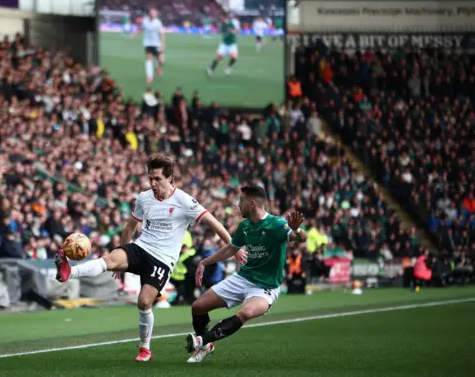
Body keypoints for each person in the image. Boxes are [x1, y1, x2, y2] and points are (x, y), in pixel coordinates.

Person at [54, 154, 247, 362]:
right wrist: (121, 256)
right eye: (150, 178)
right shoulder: (144, 198)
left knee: (144, 302)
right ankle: (69, 272)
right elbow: (130, 227)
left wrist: (233, 247)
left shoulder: (183, 200)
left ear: (170, 178)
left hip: (162, 259)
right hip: (141, 247)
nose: (152, 183)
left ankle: (145, 348)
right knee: (109, 260)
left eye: (157, 179)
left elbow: (214, 223)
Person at [184, 185, 306, 363]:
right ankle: (206, 344)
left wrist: (296, 229)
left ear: (253, 202)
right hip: (243, 278)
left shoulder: (276, 224)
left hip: (266, 287)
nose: (238, 205)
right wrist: (204, 262)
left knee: (246, 313)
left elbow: (301, 238)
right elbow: (230, 249)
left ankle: (203, 341)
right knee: (198, 306)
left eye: (241, 201)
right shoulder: (245, 226)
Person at [134, 8, 165, 84]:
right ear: (149, 14)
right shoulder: (145, 21)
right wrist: (135, 34)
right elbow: (141, 28)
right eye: (152, 13)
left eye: (155, 13)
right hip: (147, 43)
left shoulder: (158, 22)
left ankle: (158, 68)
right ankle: (149, 77)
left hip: (157, 44)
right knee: (149, 60)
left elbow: (162, 34)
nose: (154, 14)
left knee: (161, 60)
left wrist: (163, 44)